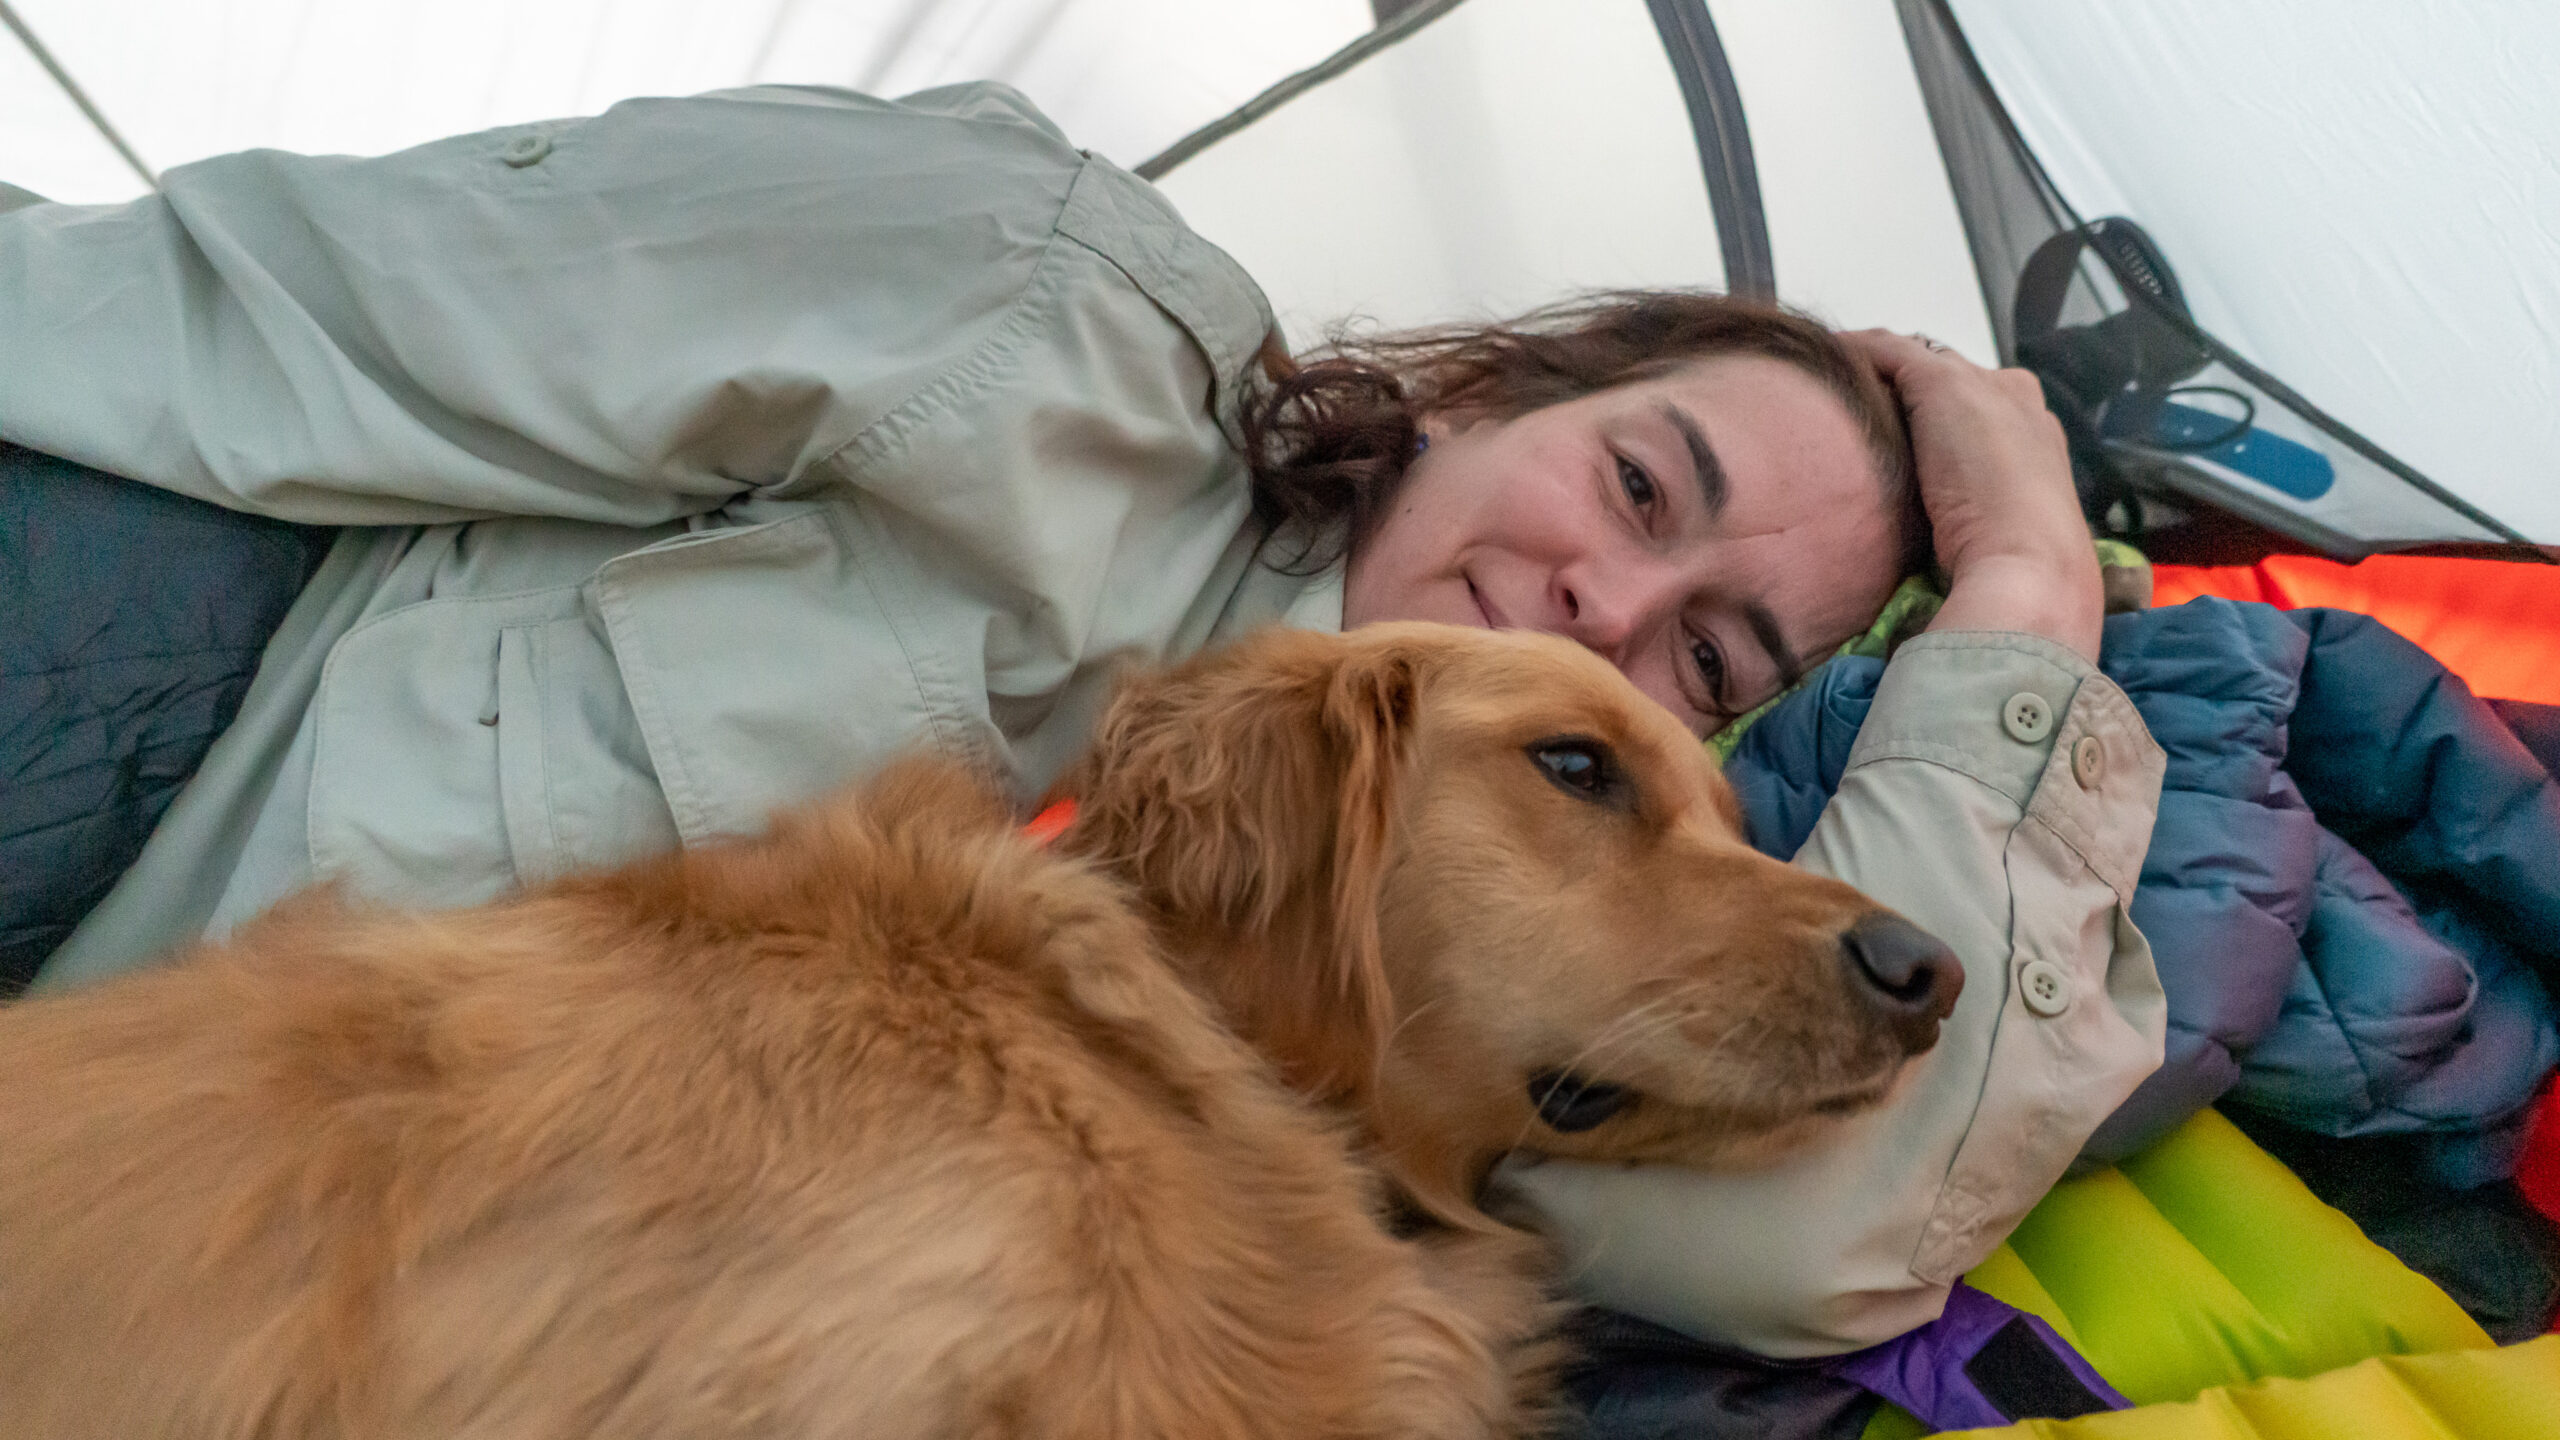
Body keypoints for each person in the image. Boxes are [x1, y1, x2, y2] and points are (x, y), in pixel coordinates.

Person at [0, 82, 2164, 1357]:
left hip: (191, 1217)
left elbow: (1810, 1221)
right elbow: (258, 312)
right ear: (1501, 387)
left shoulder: (1406, 952)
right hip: (144, 687)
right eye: (1632, 486)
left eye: (1702, 657)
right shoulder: (1044, 311)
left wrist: (2024, 600)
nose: (1606, 598)